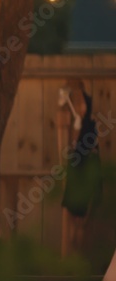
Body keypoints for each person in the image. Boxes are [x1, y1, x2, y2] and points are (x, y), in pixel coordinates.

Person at [56, 78, 102, 257]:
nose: (81, 106)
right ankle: (73, 256)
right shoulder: (70, 115)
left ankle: (79, 256)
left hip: (85, 166)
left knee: (83, 220)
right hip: (76, 167)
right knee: (74, 221)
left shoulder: (89, 124)